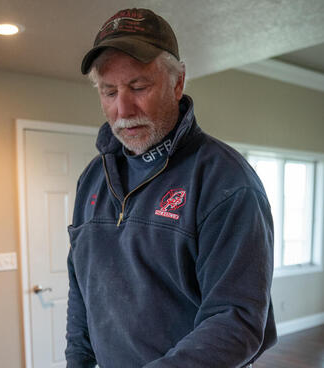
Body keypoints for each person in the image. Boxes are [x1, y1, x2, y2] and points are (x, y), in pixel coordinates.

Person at [65, 8, 277, 368]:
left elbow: (235, 320)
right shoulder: (92, 178)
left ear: (177, 83)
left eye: (138, 87)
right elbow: (82, 293)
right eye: (109, 91)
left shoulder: (227, 183)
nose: (123, 107)